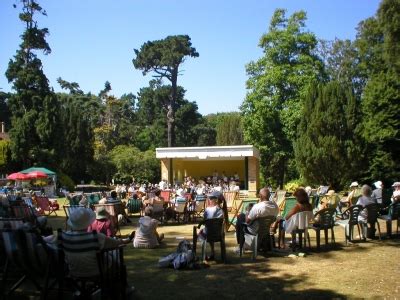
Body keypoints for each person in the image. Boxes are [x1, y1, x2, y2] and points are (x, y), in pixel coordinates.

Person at [63, 207, 134, 278]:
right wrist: (127, 239)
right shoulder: (96, 237)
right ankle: (121, 283)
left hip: (73, 271)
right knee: (115, 254)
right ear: (88, 221)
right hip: (96, 271)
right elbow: (115, 243)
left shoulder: (65, 236)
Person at [197, 191, 224, 260]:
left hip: (208, 234)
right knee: (210, 229)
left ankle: (205, 254)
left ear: (216, 200)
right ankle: (212, 253)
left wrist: (199, 226)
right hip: (218, 234)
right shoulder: (221, 210)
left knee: (199, 233)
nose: (209, 199)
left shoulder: (208, 209)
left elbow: (204, 221)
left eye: (211, 198)